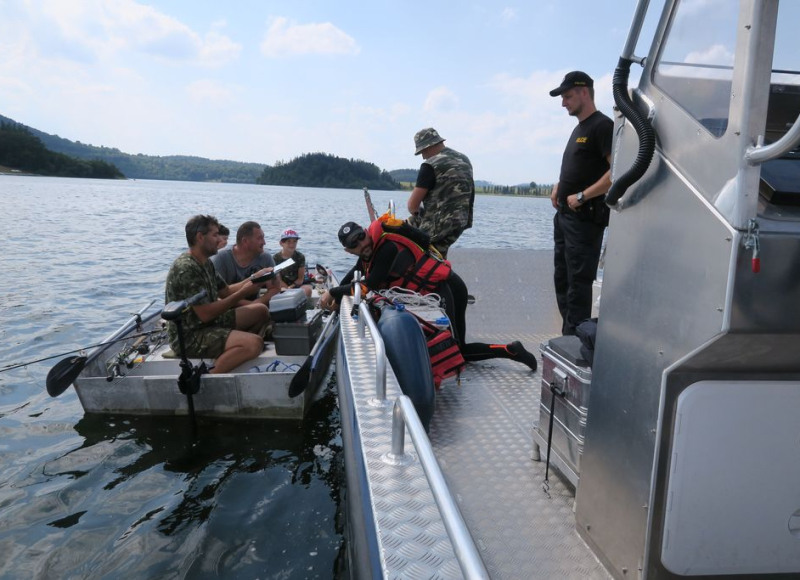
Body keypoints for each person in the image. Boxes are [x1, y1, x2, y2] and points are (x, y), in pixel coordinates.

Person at [318, 220, 538, 371]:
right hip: (446, 286)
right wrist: (334, 293)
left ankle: (511, 350)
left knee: (460, 350)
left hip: (448, 288)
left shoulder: (385, 248)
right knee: (458, 340)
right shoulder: (369, 253)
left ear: (366, 232)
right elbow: (354, 273)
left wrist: (333, 292)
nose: (361, 244)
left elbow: (370, 284)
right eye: (353, 244)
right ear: (348, 250)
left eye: (361, 237)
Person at [549, 71, 614, 336]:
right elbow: (580, 168)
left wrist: (583, 196)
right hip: (565, 218)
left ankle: (575, 341)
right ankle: (570, 335)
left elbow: (617, 172)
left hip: (585, 218)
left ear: (584, 92)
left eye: (567, 96)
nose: (563, 102)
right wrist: (559, 185)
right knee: (562, 279)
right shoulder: (579, 129)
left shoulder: (602, 126)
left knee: (578, 281)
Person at [164, 215, 272, 374]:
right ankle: (205, 378)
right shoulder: (186, 268)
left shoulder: (205, 262)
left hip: (209, 324)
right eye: (214, 235)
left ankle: (233, 349)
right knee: (255, 343)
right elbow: (206, 314)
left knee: (261, 311)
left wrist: (256, 278)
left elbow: (226, 291)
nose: (219, 240)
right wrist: (243, 292)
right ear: (200, 237)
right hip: (189, 336)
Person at [406, 127, 475, 259]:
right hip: (460, 221)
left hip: (438, 225)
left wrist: (418, 216)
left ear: (427, 147)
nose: (423, 156)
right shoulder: (464, 159)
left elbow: (412, 206)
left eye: (422, 152)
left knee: (425, 261)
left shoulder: (430, 165)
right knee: (438, 258)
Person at [211, 221, 281, 307]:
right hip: (228, 309)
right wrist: (250, 305)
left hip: (257, 307)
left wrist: (258, 303)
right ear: (245, 241)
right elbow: (218, 294)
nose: (264, 242)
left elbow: (275, 288)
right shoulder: (221, 258)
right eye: (260, 238)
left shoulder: (266, 257)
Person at [272, 229, 312, 297]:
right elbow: (278, 279)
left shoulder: (300, 257)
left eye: (294, 241)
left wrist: (291, 287)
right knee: (280, 292)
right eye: (289, 242)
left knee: (308, 290)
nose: (292, 244)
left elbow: (300, 279)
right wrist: (286, 288)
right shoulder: (275, 258)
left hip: (296, 286)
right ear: (281, 243)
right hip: (282, 286)